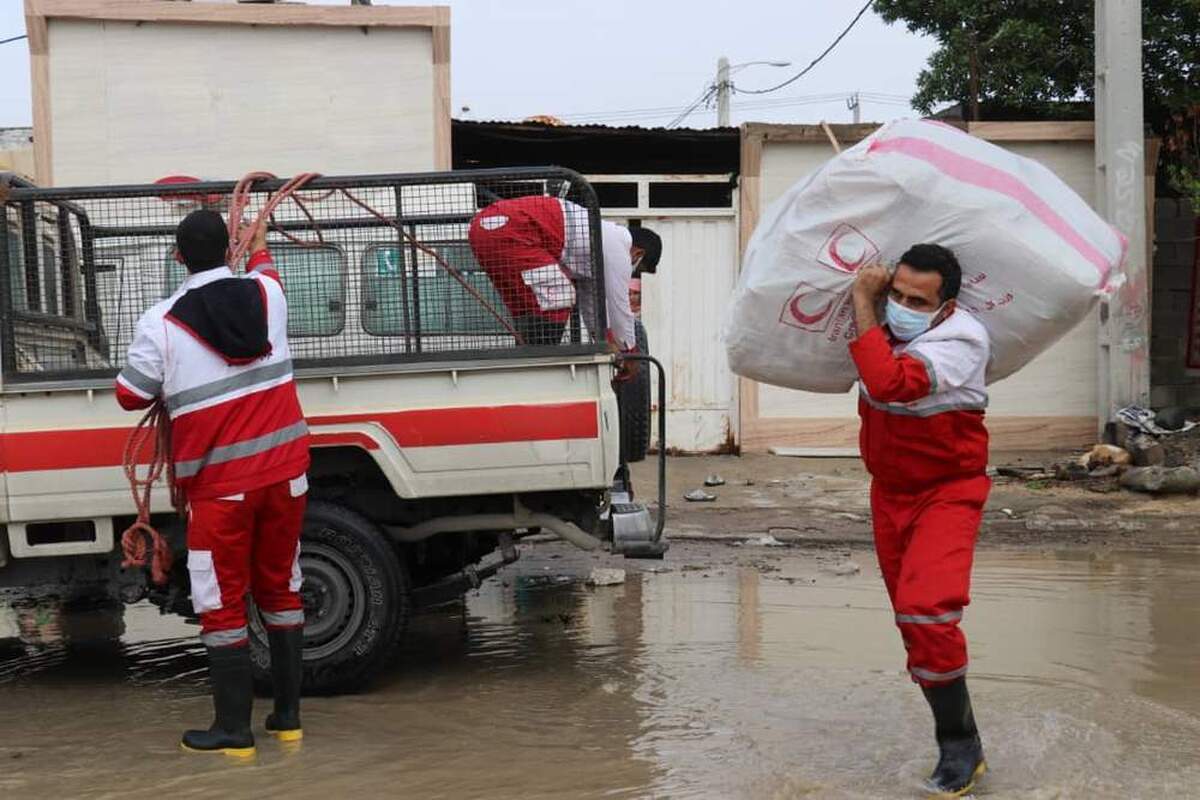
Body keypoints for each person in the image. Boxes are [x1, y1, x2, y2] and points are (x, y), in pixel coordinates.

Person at [115, 210, 310, 756]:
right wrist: (258, 242)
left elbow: (130, 395)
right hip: (286, 477)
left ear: (179, 258)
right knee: (280, 585)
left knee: (221, 602)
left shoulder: (161, 322)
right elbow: (265, 265)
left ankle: (233, 732)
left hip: (220, 490)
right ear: (230, 249)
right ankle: (288, 720)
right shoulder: (270, 296)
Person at [847, 243, 990, 797]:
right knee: (913, 627)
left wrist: (864, 299)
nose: (902, 304)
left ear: (946, 304)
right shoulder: (881, 332)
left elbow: (890, 384)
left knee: (927, 611)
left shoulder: (961, 341)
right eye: (896, 294)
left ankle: (959, 748)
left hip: (947, 493)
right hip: (890, 494)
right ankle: (963, 743)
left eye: (917, 299)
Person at [467, 195, 661, 353]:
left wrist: (604, 341)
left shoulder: (592, 244)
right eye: (639, 268)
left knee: (528, 305)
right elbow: (619, 305)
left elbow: (591, 305)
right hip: (513, 230)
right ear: (638, 253)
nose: (633, 272)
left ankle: (529, 353)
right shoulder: (618, 245)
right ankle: (542, 358)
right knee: (561, 294)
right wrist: (630, 350)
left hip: (481, 228)